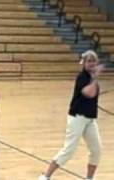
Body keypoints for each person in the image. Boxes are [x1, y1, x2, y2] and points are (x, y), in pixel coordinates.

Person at [39, 50, 105, 180]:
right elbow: (89, 93)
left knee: (96, 149)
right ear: (84, 63)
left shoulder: (92, 78)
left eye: (93, 61)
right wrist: (96, 77)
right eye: (89, 61)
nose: (91, 64)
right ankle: (46, 176)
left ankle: (90, 178)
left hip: (90, 119)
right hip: (77, 118)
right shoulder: (82, 77)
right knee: (69, 150)